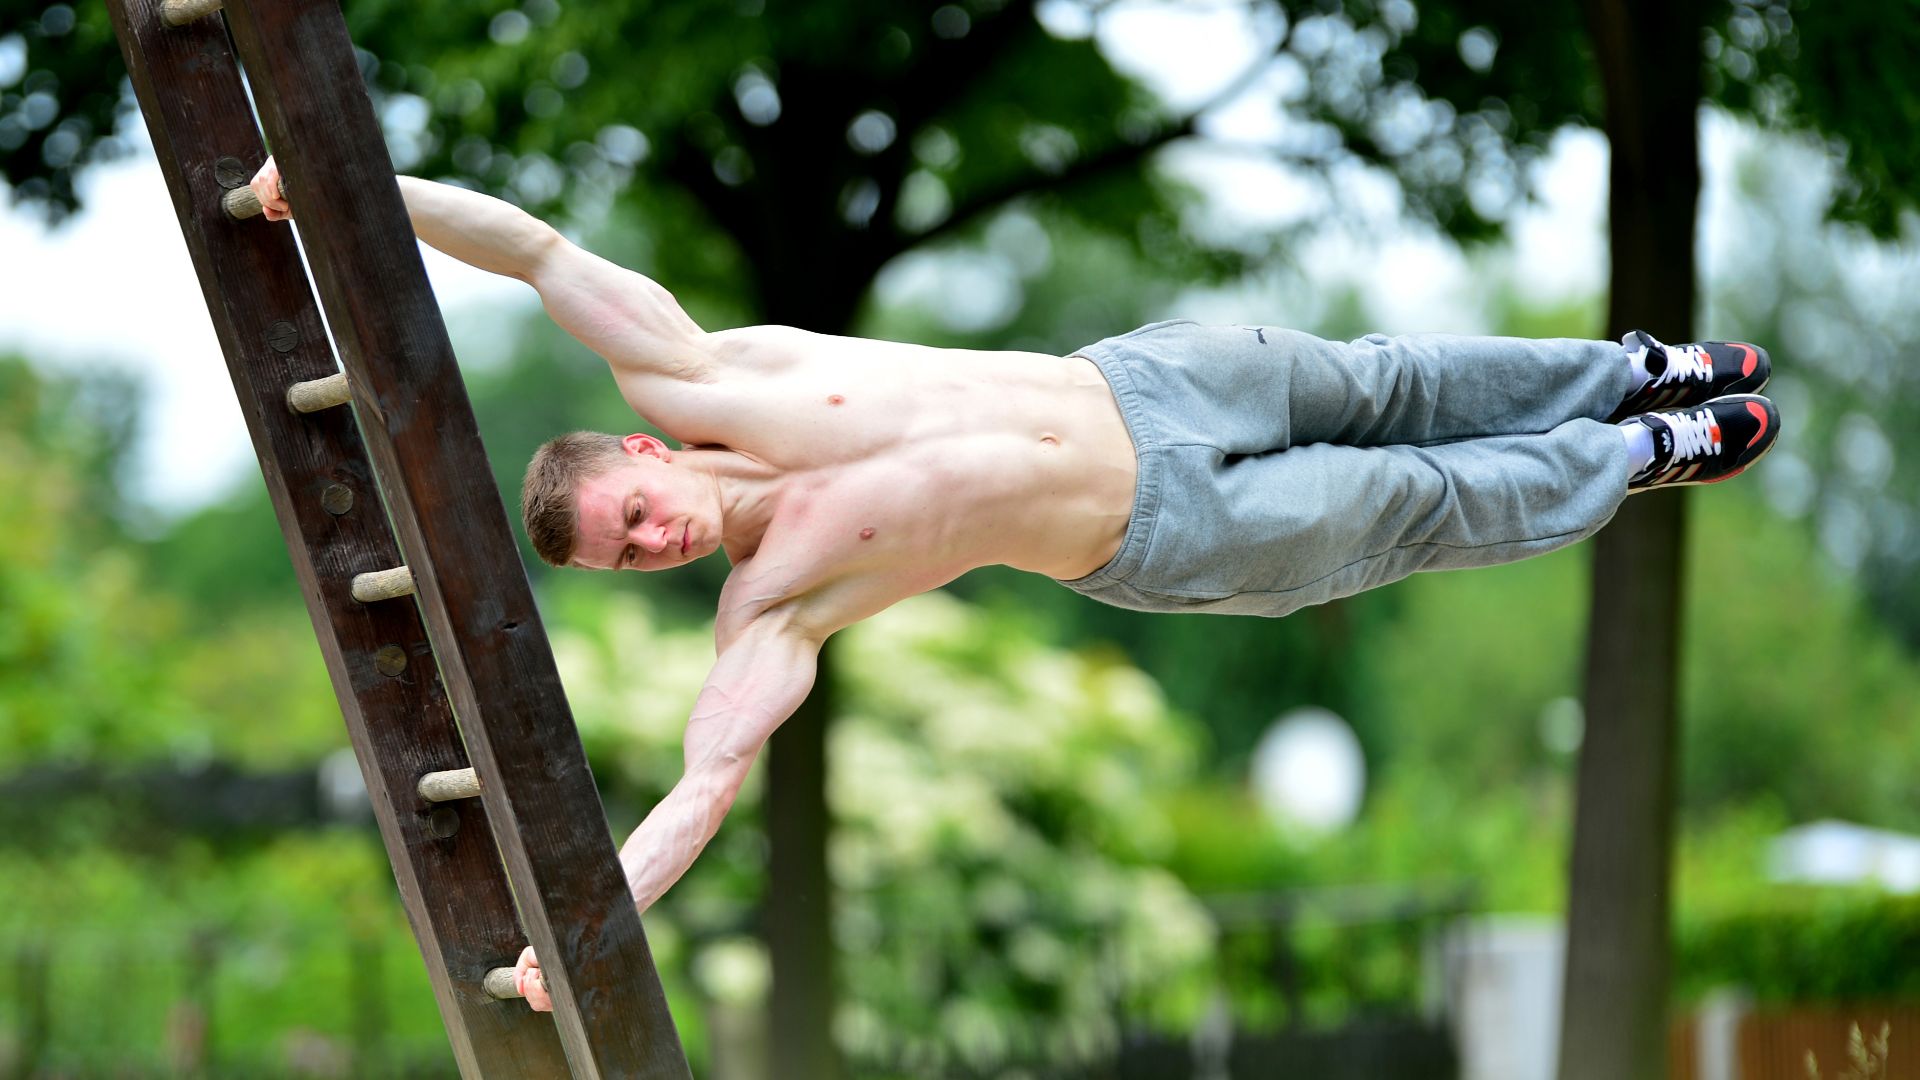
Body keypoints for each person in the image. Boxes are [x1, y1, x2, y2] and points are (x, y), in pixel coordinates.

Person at [250, 161, 1779, 1010]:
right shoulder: (771, 609)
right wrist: (571, 936)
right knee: (1410, 496)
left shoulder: (707, 365)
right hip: (1160, 535)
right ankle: (1643, 454)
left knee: (1391, 382)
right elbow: (703, 789)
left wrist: (328, 183)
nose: (655, 544)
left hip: (1148, 382)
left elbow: (529, 245)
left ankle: (1635, 370)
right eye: (630, 556)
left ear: (643, 446)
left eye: (635, 513)